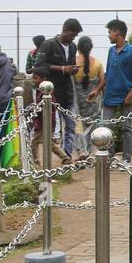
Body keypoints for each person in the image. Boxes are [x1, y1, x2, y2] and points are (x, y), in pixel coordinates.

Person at [95, 18, 132, 162]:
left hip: (127, 96)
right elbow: (107, 74)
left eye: (110, 32)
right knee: (107, 128)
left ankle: (126, 160)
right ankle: (109, 158)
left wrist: (131, 94)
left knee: (127, 128)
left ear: (117, 32)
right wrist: (97, 90)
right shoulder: (111, 51)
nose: (108, 35)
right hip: (110, 96)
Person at [33, 19, 82, 161]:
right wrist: (62, 68)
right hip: (51, 94)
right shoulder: (48, 45)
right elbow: (39, 66)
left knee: (71, 125)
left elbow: (69, 65)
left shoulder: (73, 47)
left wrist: (71, 69)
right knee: (51, 128)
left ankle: (66, 156)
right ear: (65, 30)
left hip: (68, 92)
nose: (74, 38)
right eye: (73, 34)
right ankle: (48, 157)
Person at [74, 35, 105, 154]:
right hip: (93, 100)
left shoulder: (73, 62)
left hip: (77, 101)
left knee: (78, 126)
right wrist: (96, 90)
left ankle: (80, 152)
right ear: (91, 48)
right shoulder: (97, 63)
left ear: (78, 48)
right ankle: (89, 151)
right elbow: (103, 80)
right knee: (92, 126)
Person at [28, 71, 67, 164]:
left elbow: (48, 109)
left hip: (44, 123)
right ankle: (65, 157)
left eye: (35, 78)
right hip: (42, 122)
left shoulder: (46, 94)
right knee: (48, 143)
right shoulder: (39, 92)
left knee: (37, 142)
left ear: (43, 79)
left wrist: (35, 110)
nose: (33, 80)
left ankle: (36, 160)